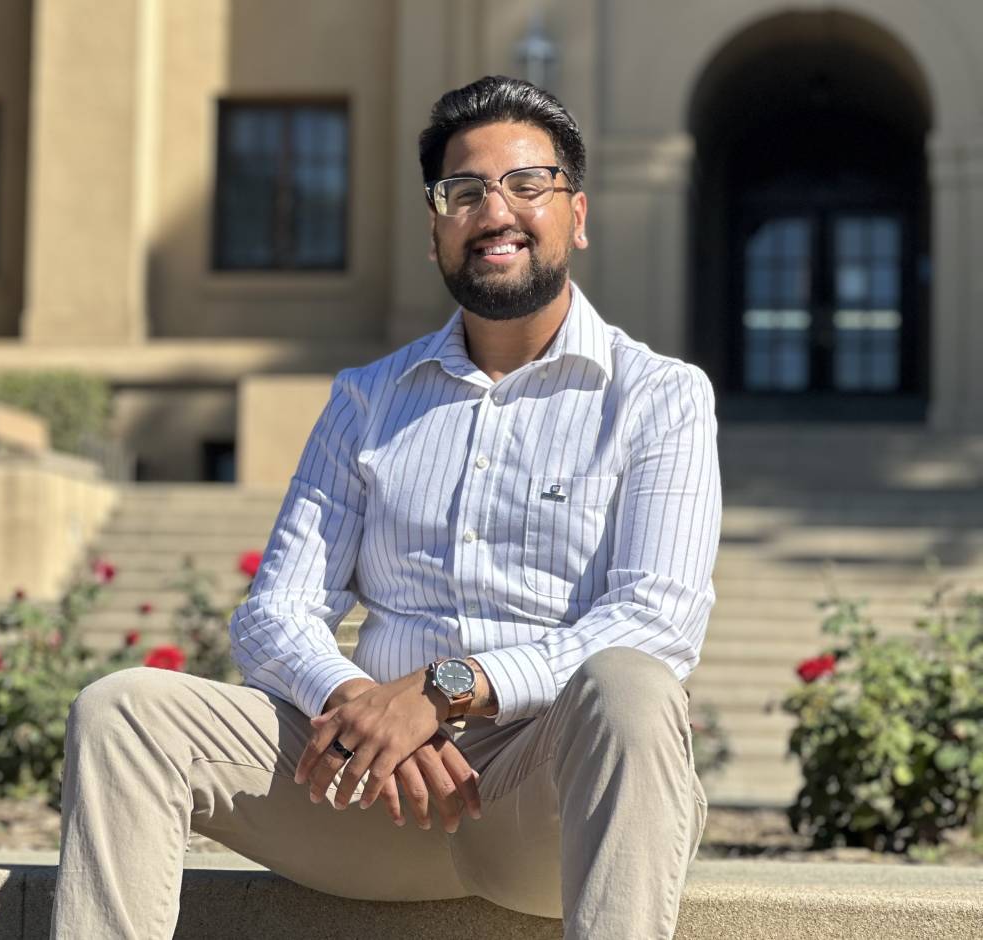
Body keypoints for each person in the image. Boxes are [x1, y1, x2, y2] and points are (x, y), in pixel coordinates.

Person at [53, 76, 720, 939]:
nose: (496, 211)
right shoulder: (368, 399)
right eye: (464, 191)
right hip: (367, 796)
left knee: (633, 685)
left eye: (527, 184)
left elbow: (655, 620)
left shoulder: (660, 397)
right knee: (122, 711)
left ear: (578, 214)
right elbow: (276, 613)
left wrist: (443, 693)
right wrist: (363, 702)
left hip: (540, 808)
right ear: (436, 225)